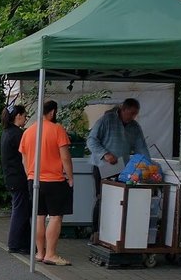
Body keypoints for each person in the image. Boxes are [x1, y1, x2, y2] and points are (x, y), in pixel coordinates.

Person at [86, 98, 150, 242]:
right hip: (102, 166)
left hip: (123, 169)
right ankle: (96, 231)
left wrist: (148, 166)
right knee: (101, 198)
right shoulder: (106, 120)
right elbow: (91, 140)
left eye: (135, 114)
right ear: (123, 109)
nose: (132, 117)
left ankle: (114, 233)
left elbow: (142, 148)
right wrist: (105, 154)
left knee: (120, 200)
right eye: (131, 113)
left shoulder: (135, 127)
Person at [19, 100, 73, 267]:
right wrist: (70, 177)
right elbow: (65, 157)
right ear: (52, 112)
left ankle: (40, 252)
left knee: (39, 215)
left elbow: (24, 159)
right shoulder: (57, 130)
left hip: (33, 180)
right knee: (56, 216)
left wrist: (30, 174)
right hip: (54, 180)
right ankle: (51, 254)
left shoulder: (28, 132)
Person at [0, 103, 30, 254]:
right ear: (18, 116)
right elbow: (26, 155)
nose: (25, 119)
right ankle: (15, 243)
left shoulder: (7, 132)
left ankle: (25, 243)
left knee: (22, 209)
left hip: (12, 177)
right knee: (20, 210)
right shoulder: (17, 134)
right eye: (25, 116)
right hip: (19, 178)